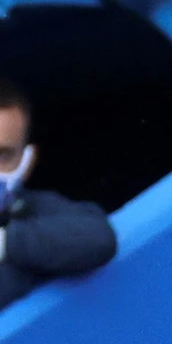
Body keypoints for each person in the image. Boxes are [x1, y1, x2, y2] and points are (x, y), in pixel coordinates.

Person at [0, 78, 116, 310]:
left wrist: (6, 242)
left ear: (26, 160)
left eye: (3, 155)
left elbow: (97, 238)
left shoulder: (29, 211)